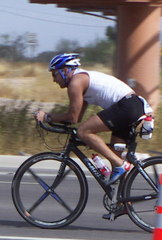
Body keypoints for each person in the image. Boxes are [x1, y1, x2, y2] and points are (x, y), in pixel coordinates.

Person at [35, 53, 153, 186]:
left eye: (54, 74)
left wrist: (46, 117)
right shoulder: (82, 81)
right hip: (132, 106)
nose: (54, 80)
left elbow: (72, 117)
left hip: (127, 106)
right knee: (115, 156)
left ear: (65, 71)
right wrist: (54, 120)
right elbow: (76, 118)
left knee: (84, 132)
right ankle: (123, 204)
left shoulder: (76, 82)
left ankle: (120, 164)